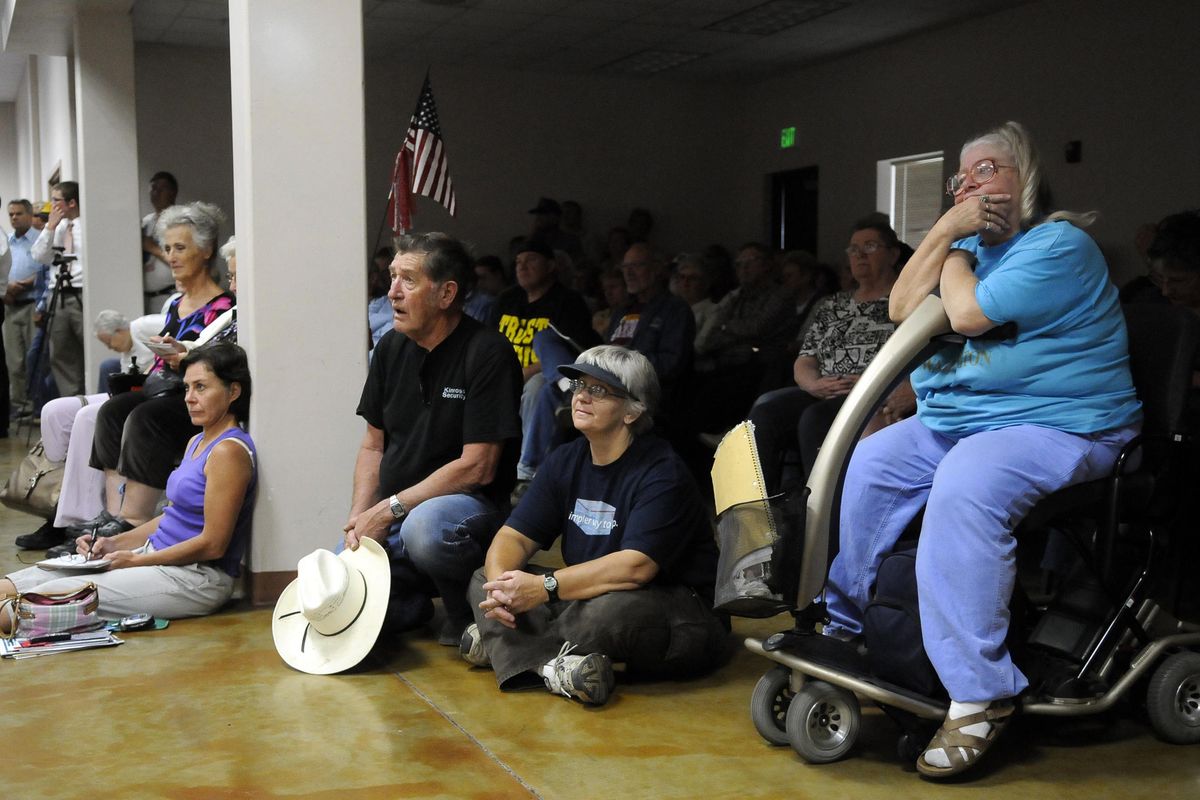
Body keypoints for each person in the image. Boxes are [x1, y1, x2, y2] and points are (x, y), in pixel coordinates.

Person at [822, 121, 1142, 778]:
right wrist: (949, 233)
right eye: (960, 178)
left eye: (987, 170)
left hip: (1066, 426)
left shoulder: (1058, 244)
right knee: (875, 459)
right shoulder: (966, 245)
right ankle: (845, 622)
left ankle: (981, 693)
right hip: (971, 420)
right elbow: (902, 308)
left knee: (966, 481)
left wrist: (954, 251)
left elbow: (966, 317)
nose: (970, 186)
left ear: (1026, 184)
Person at [463, 346, 725, 706]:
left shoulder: (663, 472)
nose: (580, 396)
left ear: (633, 411)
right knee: (482, 576)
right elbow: (514, 536)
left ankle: (508, 648)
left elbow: (636, 568)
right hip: (591, 596)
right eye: (578, 385)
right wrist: (499, 590)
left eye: (598, 390)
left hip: (677, 611)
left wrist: (545, 588)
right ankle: (559, 670)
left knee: (606, 613)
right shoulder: (566, 459)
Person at [342, 232, 522, 645]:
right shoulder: (389, 347)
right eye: (391, 278)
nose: (392, 292)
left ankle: (464, 611)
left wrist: (388, 510)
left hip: (464, 510)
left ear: (446, 293)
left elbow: (479, 465)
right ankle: (410, 604)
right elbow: (373, 445)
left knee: (424, 529)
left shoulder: (487, 351)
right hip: (394, 508)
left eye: (408, 279)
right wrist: (360, 517)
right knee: (340, 581)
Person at [0, 343, 256, 622]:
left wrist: (135, 561)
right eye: (186, 388)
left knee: (22, 608)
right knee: (14, 585)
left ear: (233, 392)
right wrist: (114, 543)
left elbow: (213, 544)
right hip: (155, 556)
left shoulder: (228, 451)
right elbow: (173, 516)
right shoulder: (197, 440)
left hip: (194, 577)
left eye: (201, 387)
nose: (189, 398)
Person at [87, 202, 235, 537]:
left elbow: (219, 363)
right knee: (112, 411)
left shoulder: (225, 306)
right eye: (167, 248)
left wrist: (184, 358)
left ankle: (134, 519)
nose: (171, 256)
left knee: (146, 417)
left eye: (180, 248)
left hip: (190, 395)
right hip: (163, 386)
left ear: (206, 250)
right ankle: (113, 513)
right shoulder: (175, 304)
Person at [748, 219, 913, 491]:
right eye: (853, 249)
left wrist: (870, 382)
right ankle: (764, 513)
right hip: (823, 388)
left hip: (871, 394)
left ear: (893, 254)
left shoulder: (907, 301)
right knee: (765, 413)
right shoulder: (833, 304)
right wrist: (813, 383)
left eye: (870, 246)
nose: (859, 255)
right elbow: (806, 358)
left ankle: (821, 513)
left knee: (815, 418)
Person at [30, 180, 86, 396]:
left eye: (55, 200)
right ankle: (72, 402)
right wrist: (50, 227)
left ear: (71, 203)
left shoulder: (87, 224)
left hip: (82, 292)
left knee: (87, 348)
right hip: (58, 295)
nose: (50, 205)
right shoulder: (57, 228)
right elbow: (40, 256)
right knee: (61, 355)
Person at [5, 199, 42, 416]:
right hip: (10, 305)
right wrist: (7, 287)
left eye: (19, 213)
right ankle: (20, 407)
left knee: (33, 359)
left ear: (29, 215)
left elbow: (46, 270)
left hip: (32, 304)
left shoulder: (39, 240)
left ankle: (37, 405)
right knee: (14, 361)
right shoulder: (7, 242)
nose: (14, 218)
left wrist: (27, 283)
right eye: (11, 214)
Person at [142, 171, 180, 313]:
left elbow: (183, 258)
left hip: (171, 294)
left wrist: (152, 247)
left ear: (173, 192)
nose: (155, 193)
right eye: (153, 188)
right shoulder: (146, 222)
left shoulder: (179, 221)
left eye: (161, 189)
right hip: (146, 297)